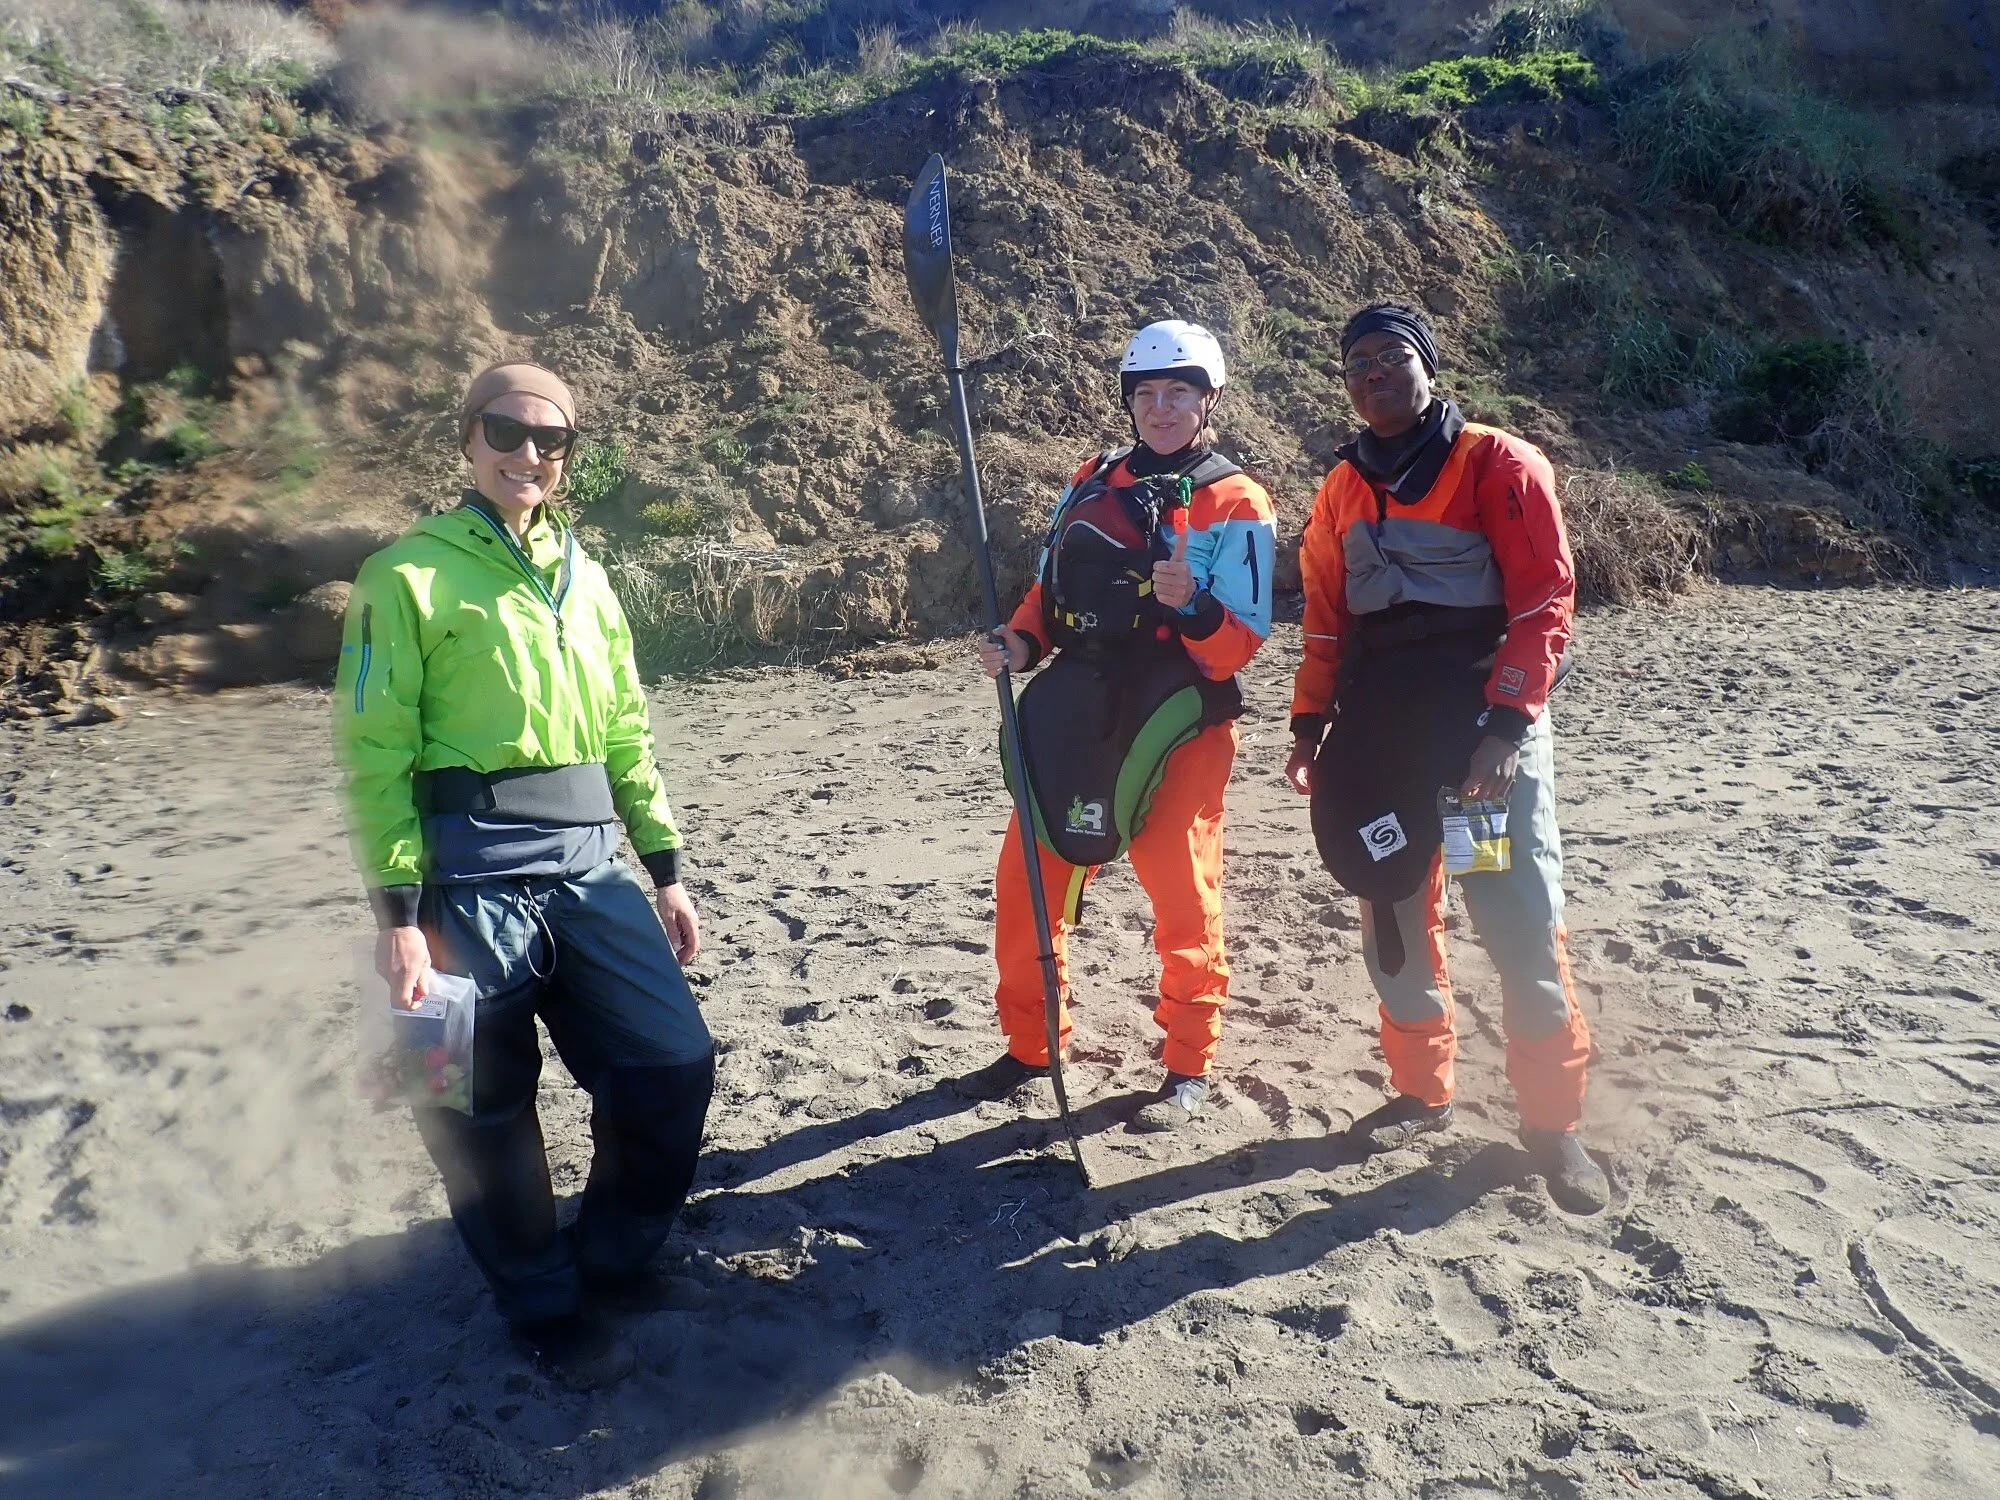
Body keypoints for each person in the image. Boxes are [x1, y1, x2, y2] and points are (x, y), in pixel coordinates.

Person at [332, 361, 715, 1387]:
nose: (530, 454)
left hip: (590, 873)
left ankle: (614, 1257)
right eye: (507, 431)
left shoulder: (587, 575)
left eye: (553, 440)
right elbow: (372, 752)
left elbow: (627, 729)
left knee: (671, 1065)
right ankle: (539, 1302)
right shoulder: (402, 576)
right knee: (463, 1102)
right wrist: (397, 914)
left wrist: (664, 868)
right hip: (459, 884)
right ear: (467, 438)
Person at [1284, 302, 1609, 1214]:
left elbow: (1545, 604)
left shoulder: (1496, 464)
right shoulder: (1342, 489)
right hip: (1380, 742)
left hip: (1475, 749)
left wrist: (1505, 732)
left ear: (1429, 365)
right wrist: (1310, 730)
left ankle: (1553, 1127)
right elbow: (1325, 622)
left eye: (1392, 356)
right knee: (1390, 922)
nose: (1373, 373)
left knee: (1513, 926)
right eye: (1357, 364)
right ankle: (1422, 1093)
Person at [957, 320, 1278, 1131]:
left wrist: (1193, 605)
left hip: (1178, 720)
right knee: (1029, 878)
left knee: (1181, 891)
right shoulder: (1091, 476)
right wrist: (1020, 642)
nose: (1160, 408)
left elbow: (1239, 643)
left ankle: (1186, 1067)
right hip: (1079, 703)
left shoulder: (1236, 499)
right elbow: (1050, 592)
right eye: (1146, 393)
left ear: (1208, 401)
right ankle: (1034, 1045)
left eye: (1178, 393)